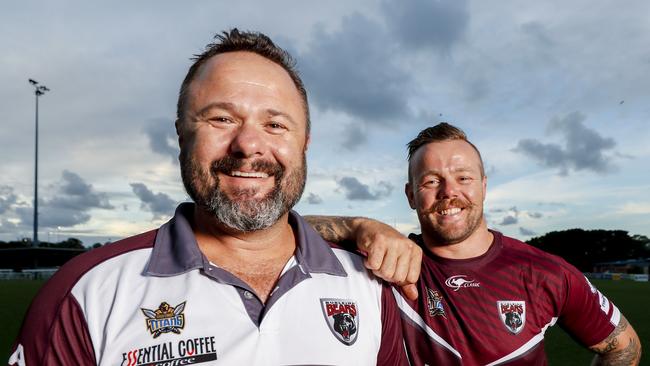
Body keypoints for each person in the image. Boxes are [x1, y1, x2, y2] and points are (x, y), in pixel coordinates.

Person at [8, 29, 411, 366]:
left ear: (304, 144)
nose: (249, 144)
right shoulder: (84, 293)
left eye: (275, 124)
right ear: (182, 132)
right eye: (222, 118)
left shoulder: (370, 287)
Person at [306, 123, 642, 365]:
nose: (449, 191)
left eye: (463, 178)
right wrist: (360, 225)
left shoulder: (545, 272)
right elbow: (267, 231)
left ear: (483, 186)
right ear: (411, 195)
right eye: (431, 181)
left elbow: (623, 347)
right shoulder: (380, 262)